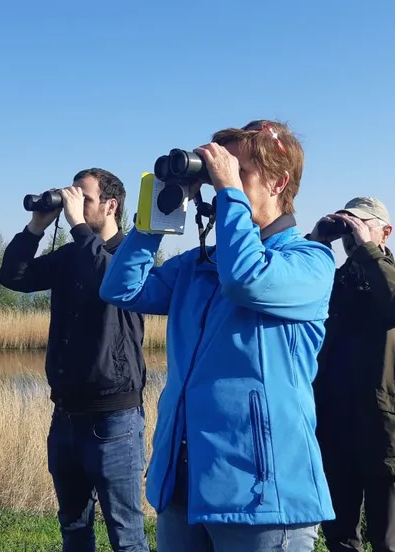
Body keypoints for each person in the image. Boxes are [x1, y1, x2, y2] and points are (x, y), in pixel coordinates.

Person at [99, 120, 337, 552]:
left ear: (279, 182)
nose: (222, 185)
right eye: (216, 177)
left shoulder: (309, 262)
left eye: (238, 173)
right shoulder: (198, 265)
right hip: (183, 485)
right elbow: (121, 289)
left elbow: (246, 279)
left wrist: (228, 192)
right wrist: (155, 220)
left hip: (260, 496)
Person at [0, 168, 149, 552]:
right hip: (66, 416)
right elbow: (14, 277)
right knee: (74, 530)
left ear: (110, 205)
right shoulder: (69, 256)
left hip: (113, 418)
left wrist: (79, 226)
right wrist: (35, 228)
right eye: (71, 196)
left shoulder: (131, 255)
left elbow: (106, 278)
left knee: (127, 537)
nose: (72, 203)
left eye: (84, 197)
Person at [306, 198, 395, 552]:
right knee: (339, 539)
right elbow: (294, 291)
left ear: (385, 231)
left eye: (361, 225)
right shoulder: (330, 284)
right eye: (347, 227)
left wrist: (368, 252)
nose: (352, 235)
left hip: (387, 429)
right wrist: (316, 242)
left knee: (387, 541)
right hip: (334, 426)